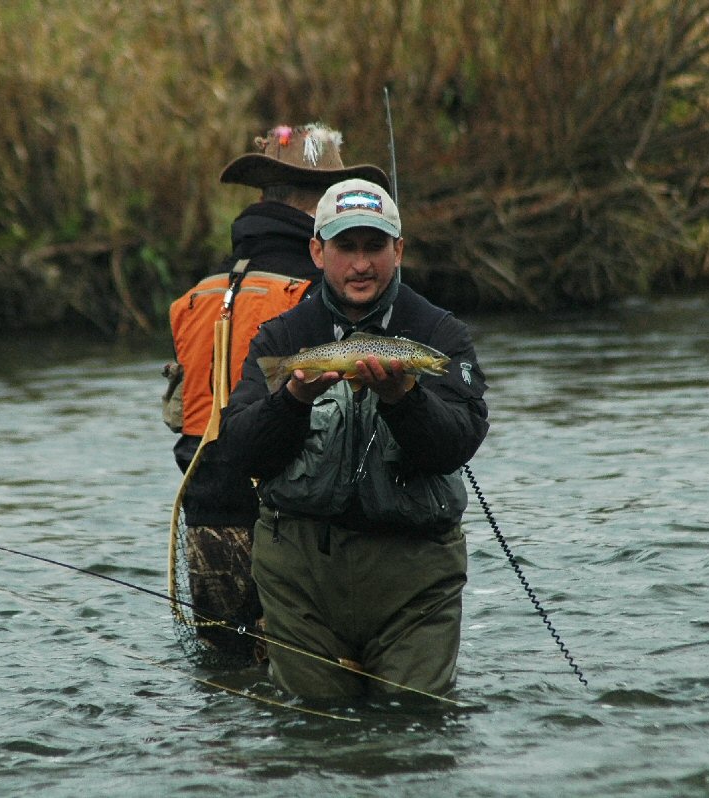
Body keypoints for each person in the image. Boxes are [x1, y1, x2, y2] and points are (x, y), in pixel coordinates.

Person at [218, 178, 489, 700]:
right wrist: (292, 400)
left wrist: (403, 399)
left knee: (414, 722)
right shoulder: (282, 337)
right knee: (314, 730)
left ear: (399, 250)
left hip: (414, 575)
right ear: (318, 252)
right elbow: (240, 450)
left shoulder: (439, 335)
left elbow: (460, 440)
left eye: (374, 247)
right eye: (346, 247)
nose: (361, 264)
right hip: (301, 574)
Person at [166, 124, 391, 664]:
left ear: (265, 196)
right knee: (309, 687)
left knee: (227, 689)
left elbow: (180, 416)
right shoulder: (319, 296)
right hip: (286, 528)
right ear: (316, 207)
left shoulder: (196, 296)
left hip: (206, 521)